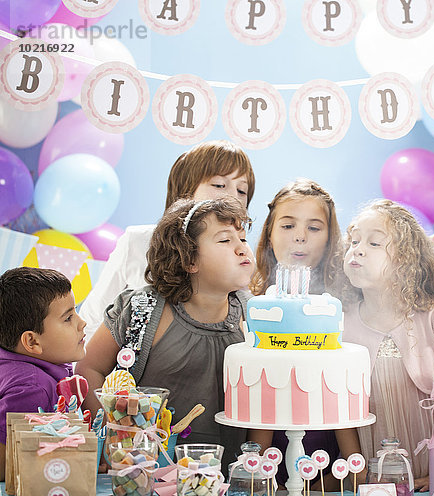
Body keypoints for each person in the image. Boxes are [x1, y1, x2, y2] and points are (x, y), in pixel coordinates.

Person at [76, 197, 255, 471]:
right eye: (225, 240)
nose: (242, 248)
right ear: (189, 259)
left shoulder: (255, 315)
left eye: (242, 239)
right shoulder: (141, 309)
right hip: (144, 469)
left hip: (225, 473)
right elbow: (89, 367)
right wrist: (115, 432)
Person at [342, 199, 434, 492]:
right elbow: (341, 413)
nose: (358, 249)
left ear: (405, 260)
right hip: (374, 479)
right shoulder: (341, 326)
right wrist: (360, 474)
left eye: (375, 243)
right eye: (354, 241)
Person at [79, 140, 256, 342]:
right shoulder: (139, 242)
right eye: (218, 185)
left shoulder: (240, 255)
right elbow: (92, 321)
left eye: (242, 191)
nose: (232, 196)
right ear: (185, 190)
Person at [248, 178, 359, 489]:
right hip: (258, 459)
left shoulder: (340, 305)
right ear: (269, 234)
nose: (300, 237)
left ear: (329, 238)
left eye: (314, 227)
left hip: (328, 464)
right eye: (287, 226)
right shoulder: (249, 304)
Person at [0, 267, 86, 481]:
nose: (81, 323)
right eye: (68, 318)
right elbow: (5, 464)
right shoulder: (32, 387)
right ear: (32, 341)